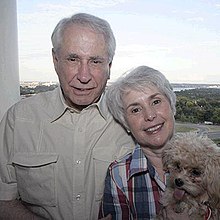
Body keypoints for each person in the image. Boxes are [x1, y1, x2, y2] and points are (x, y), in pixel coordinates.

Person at [0, 13, 134, 220]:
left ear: (109, 65)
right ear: (55, 60)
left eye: (95, 61)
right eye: (73, 59)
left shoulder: (131, 120)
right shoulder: (18, 120)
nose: (83, 76)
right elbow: (3, 200)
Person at [99, 66, 190, 219]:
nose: (150, 115)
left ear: (172, 106)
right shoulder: (119, 175)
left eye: (156, 101)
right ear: (126, 124)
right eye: (135, 110)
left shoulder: (210, 161)